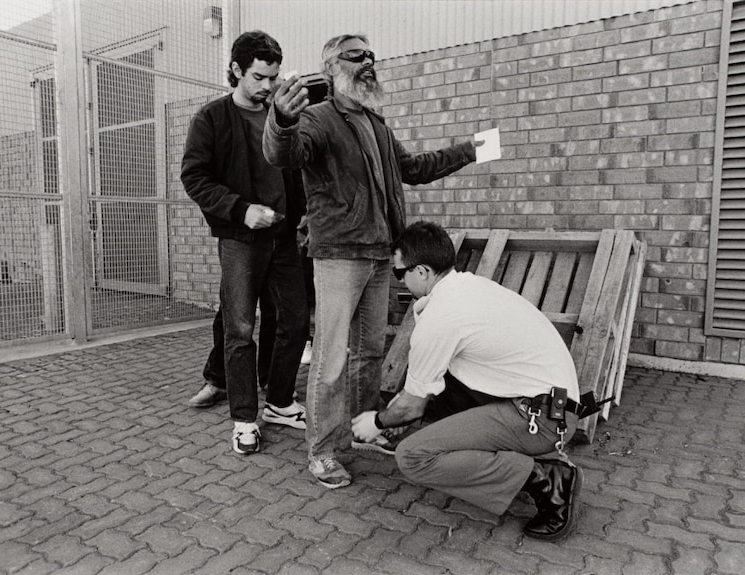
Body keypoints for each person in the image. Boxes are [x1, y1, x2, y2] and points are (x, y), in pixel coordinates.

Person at [263, 33, 479, 489]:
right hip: (341, 256)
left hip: (381, 255)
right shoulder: (318, 119)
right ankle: (322, 451)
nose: (368, 62)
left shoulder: (376, 123)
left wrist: (471, 150)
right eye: (355, 55)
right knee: (331, 361)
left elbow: (415, 168)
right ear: (330, 69)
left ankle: (363, 430)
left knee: (369, 353)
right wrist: (281, 119)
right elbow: (285, 152)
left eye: (371, 55)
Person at [351, 221, 583, 541]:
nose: (400, 281)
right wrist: (410, 406)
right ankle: (530, 462)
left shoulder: (441, 318)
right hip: (550, 407)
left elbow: (411, 407)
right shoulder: (471, 289)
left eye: (399, 273)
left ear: (422, 271)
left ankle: (547, 478)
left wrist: (376, 422)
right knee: (444, 396)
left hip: (540, 420)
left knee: (413, 456)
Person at [181, 30, 308, 455]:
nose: (267, 86)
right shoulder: (211, 118)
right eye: (258, 77)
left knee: (294, 321)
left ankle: (279, 402)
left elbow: (298, 168)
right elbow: (194, 177)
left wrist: (303, 212)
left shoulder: (279, 114)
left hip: (285, 239)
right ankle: (244, 419)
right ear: (236, 70)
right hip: (240, 240)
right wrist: (241, 209)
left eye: (272, 77)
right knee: (239, 329)